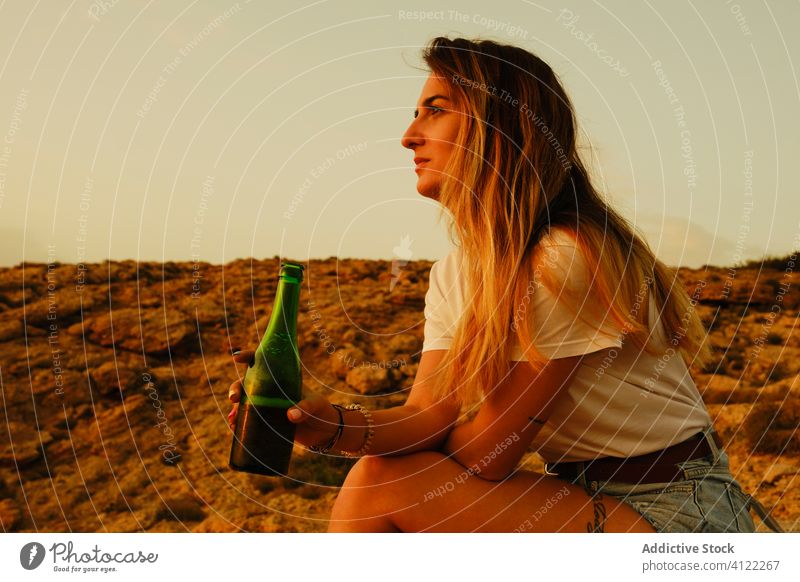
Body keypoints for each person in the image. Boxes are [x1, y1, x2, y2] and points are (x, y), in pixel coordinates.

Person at [228, 36, 772, 533]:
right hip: (578, 496)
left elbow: (490, 452)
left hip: (676, 510)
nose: (407, 136)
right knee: (382, 479)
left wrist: (391, 440)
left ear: (501, 127)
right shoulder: (455, 274)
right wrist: (324, 427)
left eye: (435, 111)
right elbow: (427, 413)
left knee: (382, 486)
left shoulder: (566, 256)